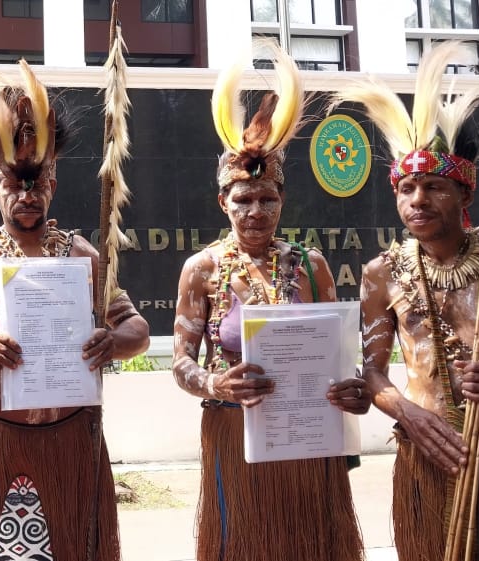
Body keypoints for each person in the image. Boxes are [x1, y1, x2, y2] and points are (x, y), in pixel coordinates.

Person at [0, 61, 150, 561]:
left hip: (72, 445)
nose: (27, 195)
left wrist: (115, 342)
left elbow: (136, 328)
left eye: (38, 182)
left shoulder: (84, 256)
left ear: (53, 184)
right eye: (15, 183)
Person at [340, 41, 479, 561]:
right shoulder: (381, 273)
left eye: (434, 186)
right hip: (427, 451)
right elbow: (373, 374)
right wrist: (408, 414)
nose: (417, 201)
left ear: (467, 192)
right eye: (406, 187)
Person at [171, 47, 369, 561]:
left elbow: (342, 359)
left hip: (308, 441)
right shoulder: (202, 269)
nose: (255, 211)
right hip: (235, 438)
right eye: (243, 199)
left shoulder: (313, 265)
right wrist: (217, 383)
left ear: (283, 198)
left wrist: (354, 390)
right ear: (223, 201)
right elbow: (180, 364)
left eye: (267, 198)